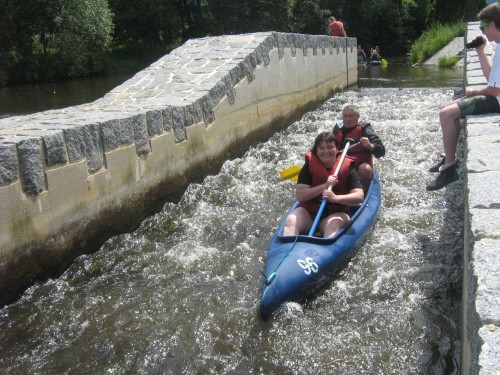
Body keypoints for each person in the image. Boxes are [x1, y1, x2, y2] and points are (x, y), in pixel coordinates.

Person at [426, 3, 500, 191]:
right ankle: (448, 155)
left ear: (492, 25)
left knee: (446, 114)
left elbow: (494, 91)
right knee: (452, 106)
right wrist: (481, 51)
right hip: (496, 97)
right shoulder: (498, 46)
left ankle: (450, 167)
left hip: (497, 101)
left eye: (483, 27)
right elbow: (493, 79)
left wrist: (475, 92)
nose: (482, 32)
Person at [283, 133, 364, 238]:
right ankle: (287, 250)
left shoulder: (347, 167)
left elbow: (359, 196)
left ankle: (325, 250)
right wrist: (324, 186)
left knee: (333, 225)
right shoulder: (308, 166)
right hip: (309, 216)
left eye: (330, 147)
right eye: (321, 148)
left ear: (337, 149)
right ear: (316, 150)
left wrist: (335, 198)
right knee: (291, 220)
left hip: (334, 215)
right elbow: (300, 195)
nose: (326, 151)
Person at [332, 105, 386, 191]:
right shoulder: (337, 128)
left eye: (351, 116)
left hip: (359, 166)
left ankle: (359, 196)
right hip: (342, 163)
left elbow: (381, 151)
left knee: (365, 169)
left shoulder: (365, 129)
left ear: (357, 117)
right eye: (345, 116)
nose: (347, 119)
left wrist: (369, 145)